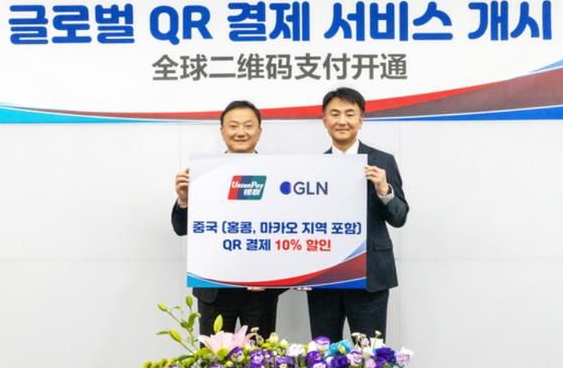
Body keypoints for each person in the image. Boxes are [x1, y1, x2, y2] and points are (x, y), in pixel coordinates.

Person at [171, 100, 282, 338]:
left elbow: (288, 230)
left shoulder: (278, 174)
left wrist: (275, 280)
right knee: (213, 359)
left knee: (261, 359)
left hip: (260, 291)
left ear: (259, 131)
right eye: (233, 126)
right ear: (222, 132)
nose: (240, 132)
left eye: (248, 126)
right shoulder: (204, 174)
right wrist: (184, 200)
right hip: (215, 292)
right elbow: (180, 228)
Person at [307, 87, 409, 342]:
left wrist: (384, 190)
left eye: (350, 114)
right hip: (325, 277)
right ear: (324, 121)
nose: (342, 121)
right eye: (335, 114)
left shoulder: (382, 161)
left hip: (370, 277)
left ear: (361, 120)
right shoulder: (312, 168)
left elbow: (399, 217)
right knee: (323, 354)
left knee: (370, 355)